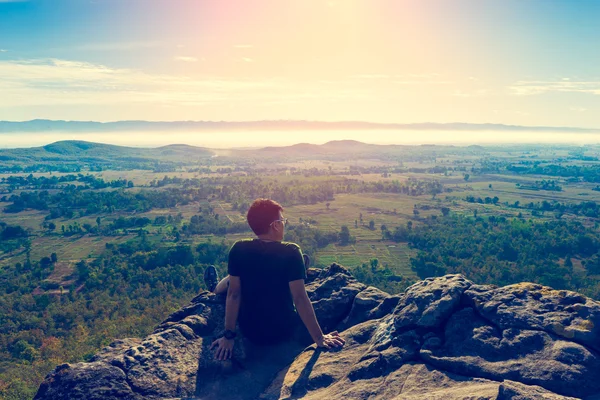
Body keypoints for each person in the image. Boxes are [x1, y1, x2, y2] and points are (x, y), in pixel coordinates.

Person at [206, 198, 344, 361]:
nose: (284, 224)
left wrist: (228, 337)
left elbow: (233, 294)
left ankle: (215, 288)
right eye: (282, 220)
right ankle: (300, 270)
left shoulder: (239, 249)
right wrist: (319, 338)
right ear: (275, 225)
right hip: (283, 331)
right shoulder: (291, 251)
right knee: (287, 273)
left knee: (235, 278)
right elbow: (300, 298)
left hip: (251, 332)